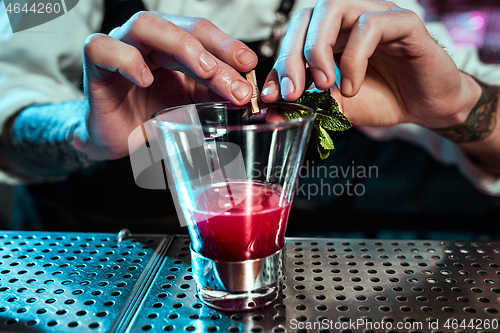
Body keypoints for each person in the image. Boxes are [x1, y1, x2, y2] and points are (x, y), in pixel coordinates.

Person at [0, 0, 499, 235]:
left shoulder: (360, 7)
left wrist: (457, 104)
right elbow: (8, 122)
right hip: (87, 264)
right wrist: (83, 131)